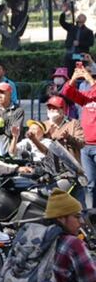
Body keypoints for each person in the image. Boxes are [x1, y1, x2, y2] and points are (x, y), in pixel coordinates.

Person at [60, 63, 96, 206]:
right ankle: (93, 218)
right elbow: (67, 92)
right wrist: (74, 77)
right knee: (90, 184)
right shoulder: (87, 98)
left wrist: (88, 77)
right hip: (86, 146)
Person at [41, 95, 85, 164]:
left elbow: (81, 144)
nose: (51, 110)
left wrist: (68, 138)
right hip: (49, 165)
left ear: (63, 110)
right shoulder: (43, 125)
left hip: (70, 166)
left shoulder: (74, 123)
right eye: (49, 108)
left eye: (54, 108)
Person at [0, 82, 24, 154]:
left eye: (2, 93)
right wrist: (7, 122)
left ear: (9, 94)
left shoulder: (18, 110)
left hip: (13, 150)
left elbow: (12, 132)